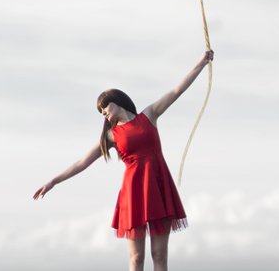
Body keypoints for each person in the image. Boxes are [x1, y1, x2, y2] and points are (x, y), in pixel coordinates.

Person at [33, 50, 214, 271]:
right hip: (133, 192)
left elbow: (177, 90)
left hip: (158, 186)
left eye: (104, 108)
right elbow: (82, 162)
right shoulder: (110, 136)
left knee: (159, 255)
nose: (103, 114)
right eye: (100, 113)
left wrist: (202, 63)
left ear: (116, 101)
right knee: (136, 259)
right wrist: (54, 181)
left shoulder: (149, 115)